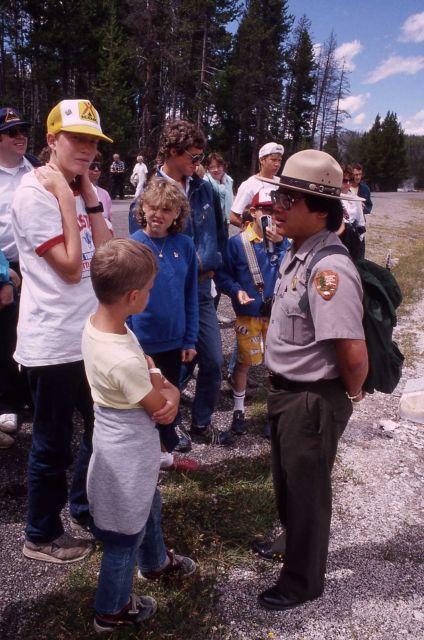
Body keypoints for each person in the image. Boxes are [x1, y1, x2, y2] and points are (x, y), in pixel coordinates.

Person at [257, 149, 368, 610]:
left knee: (307, 493)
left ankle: (302, 581)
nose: (278, 205)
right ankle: (294, 548)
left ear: (320, 211)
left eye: (290, 198)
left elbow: (353, 353)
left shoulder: (329, 270)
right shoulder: (299, 251)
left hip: (311, 399)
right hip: (288, 393)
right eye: (280, 194)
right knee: (288, 483)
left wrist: (348, 395)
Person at [12, 98, 112, 563]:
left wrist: (87, 194)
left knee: (102, 429)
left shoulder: (79, 190)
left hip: (88, 335)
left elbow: (108, 258)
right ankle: (41, 534)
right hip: (53, 340)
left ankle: (84, 506)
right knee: (52, 443)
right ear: (52, 140)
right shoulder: (34, 193)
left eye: (93, 141)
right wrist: (64, 198)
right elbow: (72, 269)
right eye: (78, 139)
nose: (88, 149)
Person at [81, 237, 186, 633]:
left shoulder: (100, 325)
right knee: (123, 539)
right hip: (126, 457)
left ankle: (156, 562)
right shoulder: (122, 359)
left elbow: (144, 361)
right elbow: (159, 407)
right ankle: (111, 609)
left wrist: (154, 372)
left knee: (149, 505)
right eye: (150, 290)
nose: (151, 295)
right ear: (132, 295)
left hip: (125, 452)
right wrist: (171, 389)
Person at [155, 119, 232, 448]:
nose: (199, 164)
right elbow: (145, 249)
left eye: (201, 157)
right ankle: (168, 430)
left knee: (213, 360)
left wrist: (216, 266)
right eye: (194, 156)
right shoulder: (150, 190)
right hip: (167, 296)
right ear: (173, 152)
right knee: (170, 366)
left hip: (201, 291)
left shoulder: (204, 188)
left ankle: (200, 421)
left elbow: (220, 230)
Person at [128, 177, 199, 461]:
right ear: (142, 207)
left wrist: (190, 338)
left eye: (166, 210)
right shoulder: (133, 245)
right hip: (141, 341)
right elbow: (124, 300)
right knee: (143, 399)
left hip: (174, 339)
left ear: (177, 215)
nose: (158, 214)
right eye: (153, 207)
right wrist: (130, 341)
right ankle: (146, 451)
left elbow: (191, 294)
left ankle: (164, 449)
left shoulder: (184, 245)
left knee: (169, 395)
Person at [219, 191, 290, 436]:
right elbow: (224, 275)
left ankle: (273, 413)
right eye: (265, 210)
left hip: (276, 316)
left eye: (275, 211)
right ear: (253, 210)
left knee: (276, 367)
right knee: (244, 363)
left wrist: (282, 243)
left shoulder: (286, 243)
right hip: (248, 314)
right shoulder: (238, 243)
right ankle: (239, 410)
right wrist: (236, 290)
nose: (270, 216)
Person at [0, 106, 33, 442]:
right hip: (2, 263)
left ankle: (31, 394)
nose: (20, 136)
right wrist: (2, 274)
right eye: (12, 132)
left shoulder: (35, 169)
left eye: (23, 130)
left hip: (36, 262)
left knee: (35, 329)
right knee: (6, 336)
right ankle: (8, 402)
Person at [229, 142, 284, 227]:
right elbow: (233, 217)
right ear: (262, 160)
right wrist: (252, 232)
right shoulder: (249, 184)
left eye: (279, 160)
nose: (277, 164)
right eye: (273, 160)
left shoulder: (281, 183)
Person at [340, 164, 366, 261]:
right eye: (344, 180)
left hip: (351, 239)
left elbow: (361, 222)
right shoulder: (331, 197)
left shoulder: (355, 199)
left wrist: (358, 240)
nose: (347, 184)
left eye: (350, 180)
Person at [204, 152, 233, 226]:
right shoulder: (205, 182)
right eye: (212, 167)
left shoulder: (228, 180)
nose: (216, 169)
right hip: (210, 221)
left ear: (223, 167)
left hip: (226, 220)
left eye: (219, 166)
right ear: (208, 168)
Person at [88, 151, 113, 224]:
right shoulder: (74, 194)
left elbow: (109, 220)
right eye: (92, 166)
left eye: (99, 166)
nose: (96, 169)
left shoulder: (105, 194)